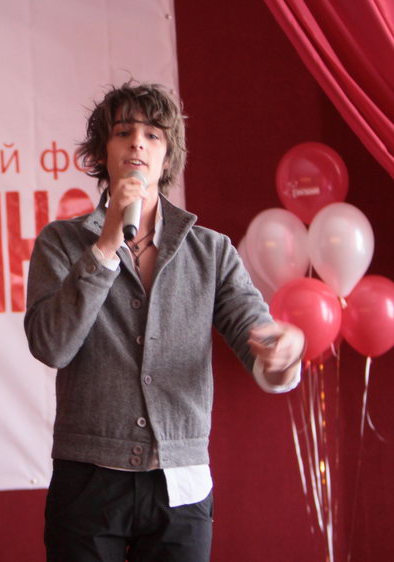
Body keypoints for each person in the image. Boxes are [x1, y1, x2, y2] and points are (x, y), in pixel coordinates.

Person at [24, 81, 306, 562]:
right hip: (87, 478)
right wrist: (105, 246)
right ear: (102, 152)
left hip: (181, 481)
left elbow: (258, 344)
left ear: (167, 155)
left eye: (153, 135)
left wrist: (284, 356)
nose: (138, 143)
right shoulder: (61, 243)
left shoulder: (211, 251)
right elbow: (51, 345)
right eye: (123, 132)